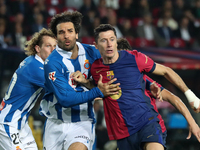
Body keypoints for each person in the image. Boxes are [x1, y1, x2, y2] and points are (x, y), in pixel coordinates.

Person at [90, 24, 200, 150]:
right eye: (104, 40)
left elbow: (172, 96)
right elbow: (95, 86)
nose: (109, 44)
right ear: (97, 45)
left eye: (112, 40)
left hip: (148, 123)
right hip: (123, 133)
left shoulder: (145, 77)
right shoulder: (97, 69)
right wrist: (86, 83)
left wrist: (192, 116)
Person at [39, 11, 120, 150]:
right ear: (56, 37)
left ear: (76, 34)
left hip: (82, 121)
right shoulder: (52, 62)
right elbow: (65, 99)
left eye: (70, 31)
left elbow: (113, 72)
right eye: (61, 32)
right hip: (56, 124)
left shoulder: (92, 53)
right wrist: (97, 91)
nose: (66, 35)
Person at [117, 37, 200, 142]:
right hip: (126, 132)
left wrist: (192, 122)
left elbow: (172, 97)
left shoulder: (145, 81)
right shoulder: (106, 78)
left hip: (150, 127)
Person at [0, 28, 57, 150]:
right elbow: (60, 91)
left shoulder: (32, 61)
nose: (53, 50)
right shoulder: (35, 67)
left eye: (55, 46)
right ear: (38, 48)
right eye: (48, 46)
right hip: (8, 122)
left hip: (21, 123)